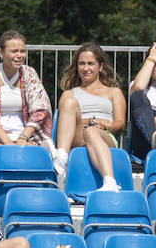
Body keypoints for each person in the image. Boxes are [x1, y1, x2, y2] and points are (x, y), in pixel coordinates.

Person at [54, 42, 127, 191]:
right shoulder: (69, 94)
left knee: (91, 131)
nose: (85, 68)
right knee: (70, 103)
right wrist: (91, 121)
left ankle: (110, 182)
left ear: (100, 66)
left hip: (105, 135)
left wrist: (102, 124)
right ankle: (62, 156)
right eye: (81, 64)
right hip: (76, 135)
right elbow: (65, 121)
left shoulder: (114, 92)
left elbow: (120, 124)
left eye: (90, 63)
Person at [0, 30, 53, 154]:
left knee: (35, 152)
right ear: (1, 53)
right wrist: (8, 143)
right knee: (5, 152)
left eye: (22, 51)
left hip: (26, 135)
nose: (19, 55)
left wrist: (23, 138)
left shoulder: (29, 73)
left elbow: (39, 110)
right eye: (14, 51)